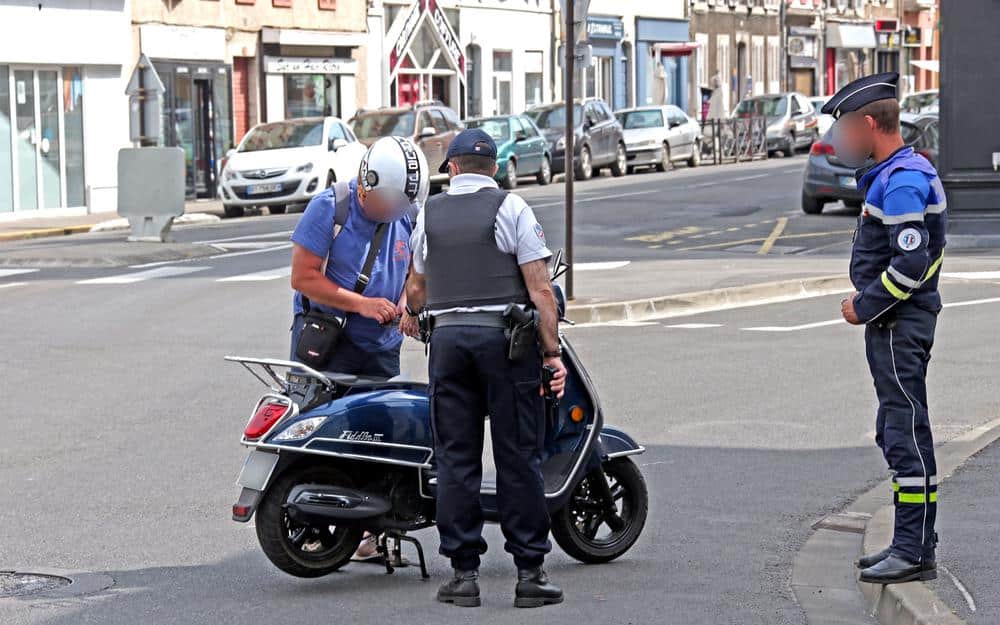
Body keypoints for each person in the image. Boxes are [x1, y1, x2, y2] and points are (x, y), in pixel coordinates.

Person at [403, 128, 566, 608]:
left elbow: (415, 289)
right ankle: (530, 574)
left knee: (456, 457)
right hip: (506, 343)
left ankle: (463, 574)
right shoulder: (511, 208)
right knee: (518, 455)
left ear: (450, 169)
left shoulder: (427, 214)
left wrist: (417, 313)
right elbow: (539, 290)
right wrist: (551, 352)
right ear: (493, 168)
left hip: (449, 344)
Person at [824, 72, 947, 584]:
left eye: (846, 128)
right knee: (898, 429)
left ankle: (913, 550)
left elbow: (910, 266)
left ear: (869, 124)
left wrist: (865, 306)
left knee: (906, 434)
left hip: (899, 323)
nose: (840, 141)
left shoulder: (902, 183)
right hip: (896, 323)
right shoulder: (896, 173)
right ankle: (912, 544)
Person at [289, 136, 428, 378]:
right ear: (366, 186)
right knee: (319, 416)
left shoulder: (409, 213)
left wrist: (407, 300)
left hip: (383, 346)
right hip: (330, 341)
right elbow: (302, 278)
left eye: (401, 205)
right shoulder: (330, 208)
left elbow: (414, 268)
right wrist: (363, 304)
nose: (394, 212)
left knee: (379, 415)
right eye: (388, 202)